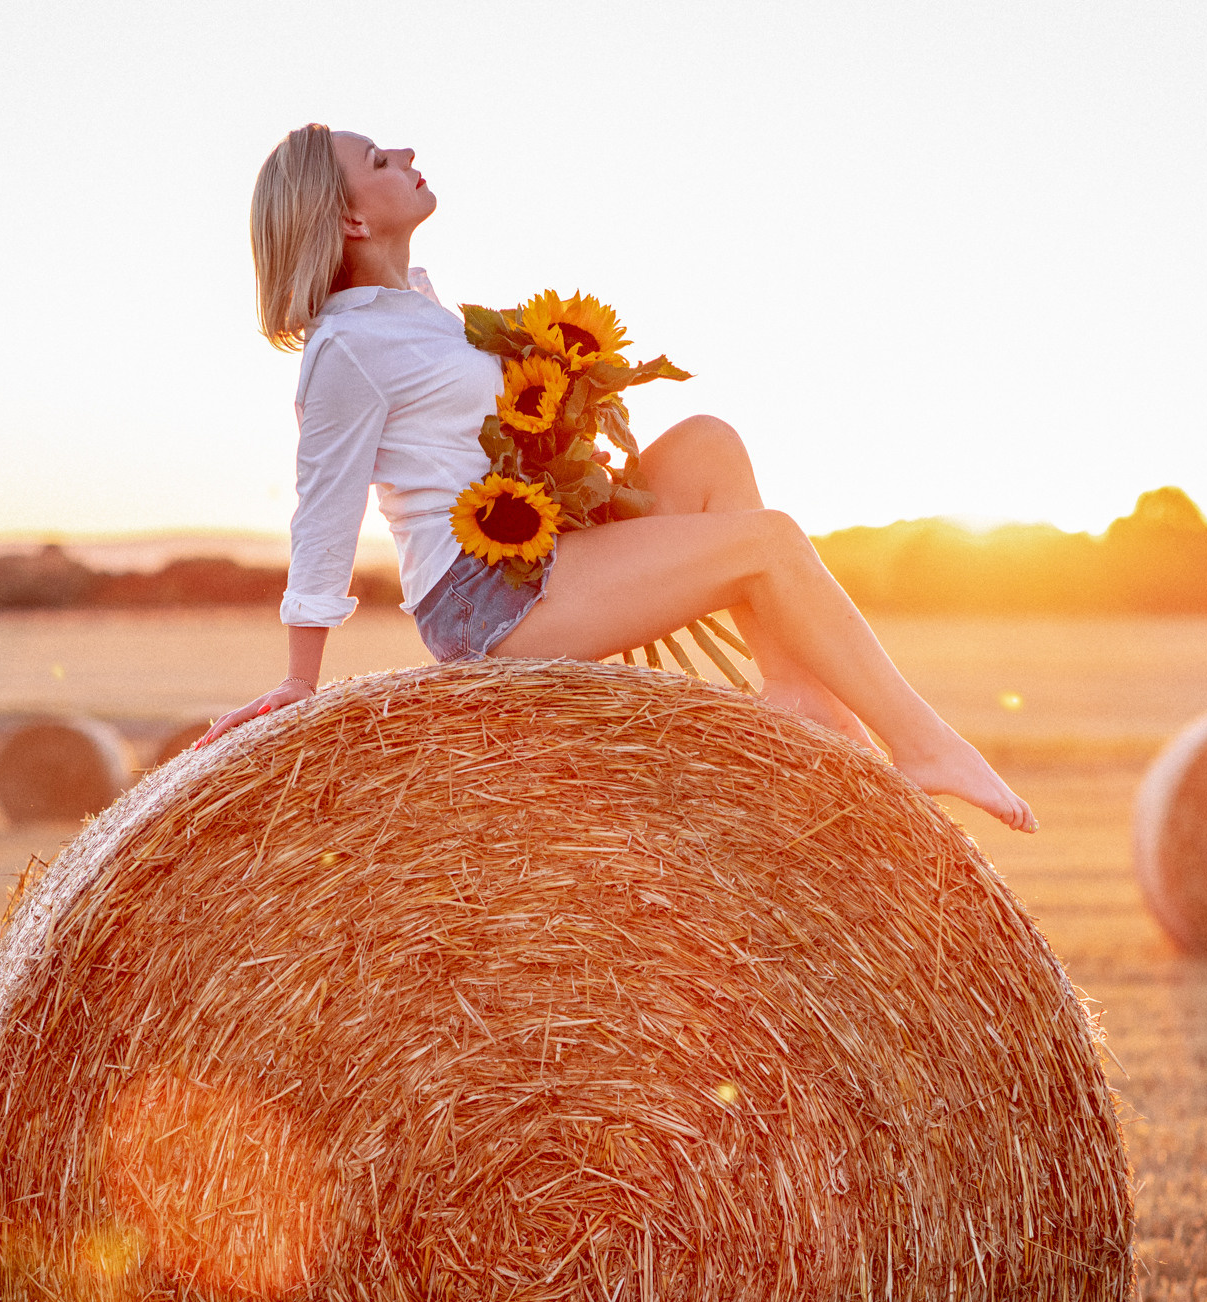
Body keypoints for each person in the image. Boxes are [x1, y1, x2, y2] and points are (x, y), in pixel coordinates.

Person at [203, 124, 1035, 833]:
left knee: (708, 443)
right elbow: (323, 511)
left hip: (549, 546)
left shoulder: (420, 312)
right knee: (769, 545)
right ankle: (925, 746)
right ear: (349, 217)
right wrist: (299, 680)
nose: (407, 151)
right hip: (489, 600)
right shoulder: (346, 349)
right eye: (379, 159)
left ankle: (799, 697)